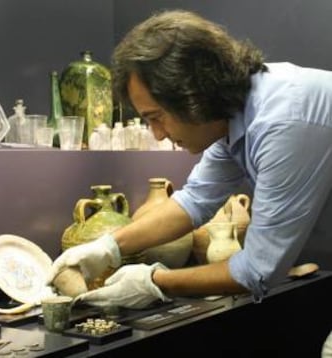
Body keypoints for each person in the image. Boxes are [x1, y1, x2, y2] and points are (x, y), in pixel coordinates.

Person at [47, 9, 332, 309]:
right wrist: (109, 247)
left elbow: (258, 271)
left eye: (156, 117)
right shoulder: (231, 117)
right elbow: (194, 201)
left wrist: (154, 282)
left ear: (193, 95)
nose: (157, 134)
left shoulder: (281, 121)